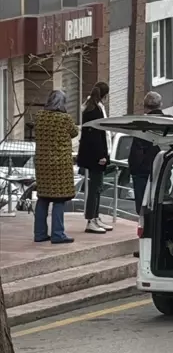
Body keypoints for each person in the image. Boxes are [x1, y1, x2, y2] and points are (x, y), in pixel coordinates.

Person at [32, 90, 79, 244]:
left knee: (43, 198)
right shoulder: (64, 119)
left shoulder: (39, 117)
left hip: (42, 164)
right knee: (59, 199)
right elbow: (74, 132)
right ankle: (58, 234)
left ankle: (39, 233)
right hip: (60, 165)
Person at [77, 82, 112, 234]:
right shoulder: (94, 110)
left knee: (97, 188)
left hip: (95, 154)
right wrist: (101, 155)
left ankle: (95, 217)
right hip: (96, 156)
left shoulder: (92, 107)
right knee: (94, 188)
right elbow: (96, 136)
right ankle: (91, 219)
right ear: (104, 95)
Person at [127, 91, 164, 214]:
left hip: (143, 172)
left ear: (145, 106)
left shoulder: (142, 124)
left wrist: (134, 171)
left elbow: (136, 152)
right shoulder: (169, 123)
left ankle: (145, 231)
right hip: (163, 170)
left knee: (143, 209)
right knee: (160, 205)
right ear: (161, 105)